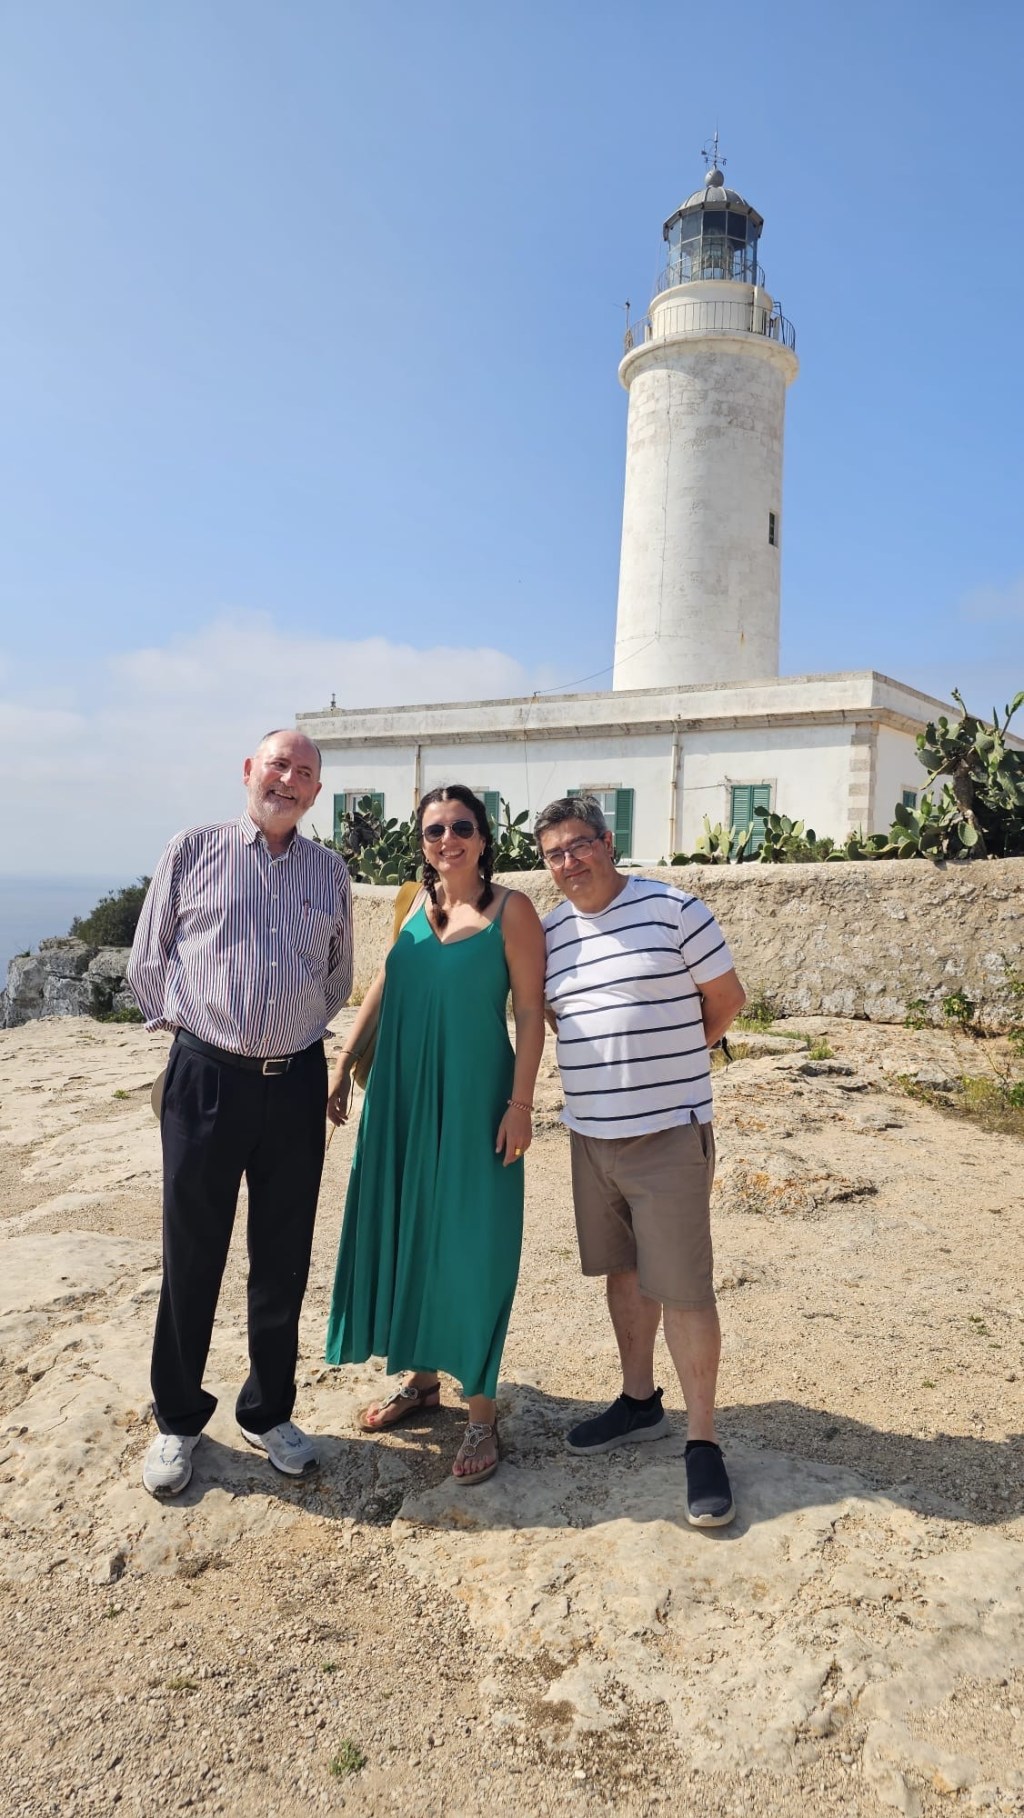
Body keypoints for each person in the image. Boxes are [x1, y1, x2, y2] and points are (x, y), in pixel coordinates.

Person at [127, 730, 353, 1497]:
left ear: (316, 794)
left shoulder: (331, 872)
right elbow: (147, 959)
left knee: (283, 1255)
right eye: (278, 766)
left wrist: (283, 1045)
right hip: (206, 1079)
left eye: (305, 774)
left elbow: (336, 979)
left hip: (293, 1084)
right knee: (192, 1251)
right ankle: (179, 1420)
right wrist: (198, 1039)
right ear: (250, 771)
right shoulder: (192, 849)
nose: (288, 781)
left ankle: (268, 1411)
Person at [535, 794, 746, 1527]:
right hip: (591, 1137)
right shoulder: (552, 931)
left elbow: (724, 999)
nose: (569, 862)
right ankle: (638, 1402)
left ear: (607, 841)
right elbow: (558, 1017)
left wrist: (676, 1065)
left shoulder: (673, 909)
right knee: (623, 1277)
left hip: (667, 1134)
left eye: (579, 845)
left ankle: (702, 1440)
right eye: (554, 853)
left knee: (684, 1289)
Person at [325, 785, 546, 1484]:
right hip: (403, 1096)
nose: (445, 839)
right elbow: (382, 989)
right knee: (411, 1230)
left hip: (479, 1097)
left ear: (484, 837)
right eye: (432, 830)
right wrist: (339, 1067)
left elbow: (533, 1016)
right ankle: (422, 1384)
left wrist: (521, 1104)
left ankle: (481, 1416)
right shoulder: (412, 903)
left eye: (460, 827)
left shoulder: (515, 912)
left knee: (474, 1247)